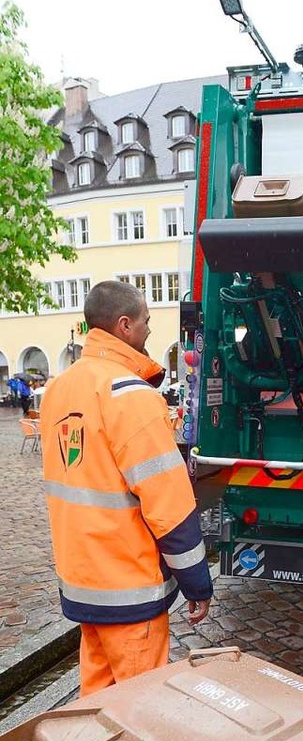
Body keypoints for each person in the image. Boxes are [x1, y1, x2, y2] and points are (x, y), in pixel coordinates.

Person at [40, 280, 213, 696]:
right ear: (123, 326)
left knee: (95, 704)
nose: (150, 331)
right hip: (129, 590)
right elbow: (168, 506)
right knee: (137, 712)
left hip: (83, 582)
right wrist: (197, 584)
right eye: (145, 322)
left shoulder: (58, 391)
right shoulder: (131, 396)